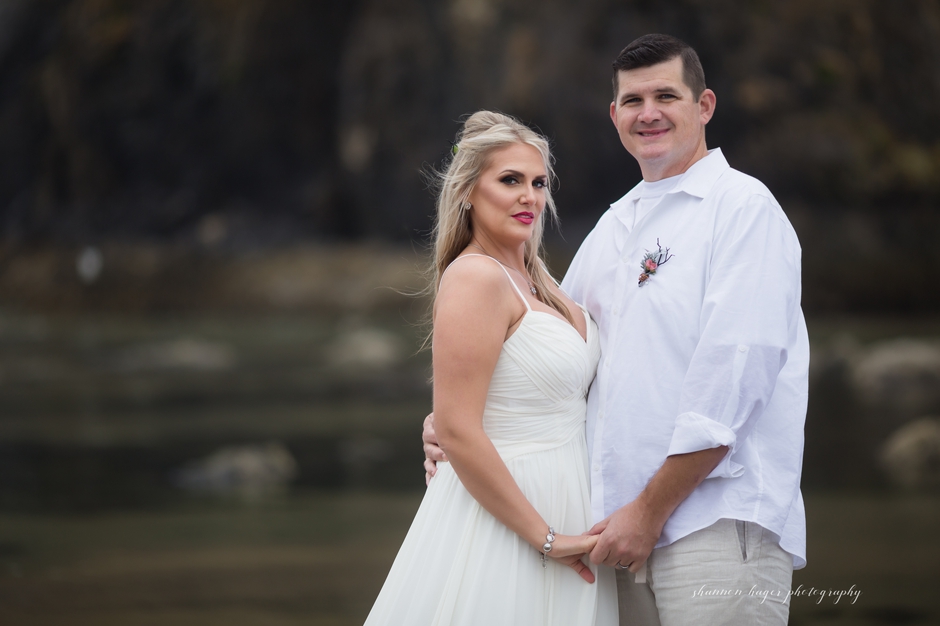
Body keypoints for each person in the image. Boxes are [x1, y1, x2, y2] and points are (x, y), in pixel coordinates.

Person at [425, 35, 809, 626]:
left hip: (715, 526)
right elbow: (550, 357)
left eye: (665, 95)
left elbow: (733, 385)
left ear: (704, 106)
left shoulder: (741, 208)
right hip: (611, 537)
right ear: (614, 116)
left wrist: (649, 512)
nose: (648, 112)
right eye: (632, 100)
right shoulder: (613, 227)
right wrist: (450, 424)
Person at [364, 111, 618, 626]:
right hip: (508, 521)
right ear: (467, 192)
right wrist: (545, 538)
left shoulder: (542, 283)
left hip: (567, 503)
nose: (529, 196)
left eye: (538, 182)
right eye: (510, 180)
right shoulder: (477, 278)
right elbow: (457, 427)